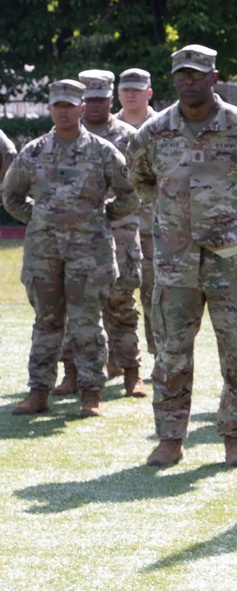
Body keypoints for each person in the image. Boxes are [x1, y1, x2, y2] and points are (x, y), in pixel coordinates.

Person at [128, 44, 237, 467]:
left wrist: (235, 218)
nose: (188, 81)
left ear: (213, 78)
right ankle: (170, 438)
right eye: (181, 74)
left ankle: (236, 437)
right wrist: (173, 218)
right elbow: (140, 180)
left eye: (197, 74)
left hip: (230, 262)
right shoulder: (154, 132)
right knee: (172, 354)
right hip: (175, 263)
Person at [3, 79, 139, 418]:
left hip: (89, 253)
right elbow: (10, 195)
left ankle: (91, 392)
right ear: (50, 109)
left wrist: (103, 215)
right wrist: (37, 217)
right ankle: (38, 392)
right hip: (43, 252)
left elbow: (130, 194)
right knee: (46, 322)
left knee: (86, 323)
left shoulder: (103, 151)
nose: (63, 111)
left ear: (81, 107)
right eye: (57, 105)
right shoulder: (33, 151)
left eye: (69, 105)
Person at [54, 69, 146, 398]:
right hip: (72, 237)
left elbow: (140, 184)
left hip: (120, 233)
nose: (94, 105)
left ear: (111, 99)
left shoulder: (129, 136)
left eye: (100, 99)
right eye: (88, 100)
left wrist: (106, 212)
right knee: (71, 305)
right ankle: (72, 372)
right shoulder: (62, 136)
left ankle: (131, 372)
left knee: (121, 303)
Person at [115, 67, 159, 361]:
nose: (131, 94)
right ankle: (118, 358)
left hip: (157, 228)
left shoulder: (165, 128)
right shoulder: (106, 128)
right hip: (118, 227)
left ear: (149, 92)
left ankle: (161, 358)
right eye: (126, 89)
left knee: (157, 296)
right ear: (118, 94)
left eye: (136, 89)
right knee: (117, 294)